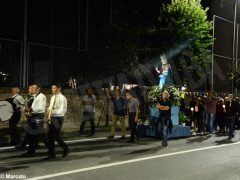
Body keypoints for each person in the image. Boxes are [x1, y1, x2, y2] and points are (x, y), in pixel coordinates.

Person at [44, 84, 69, 160]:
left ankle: (64, 148)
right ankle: (53, 154)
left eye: (54, 88)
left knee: (54, 135)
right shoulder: (53, 97)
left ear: (59, 89)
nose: (52, 89)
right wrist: (48, 111)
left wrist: (52, 112)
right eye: (52, 88)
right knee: (51, 136)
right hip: (52, 117)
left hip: (58, 118)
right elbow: (51, 107)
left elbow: (62, 110)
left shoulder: (62, 98)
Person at [22, 84, 46, 156]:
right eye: (32, 88)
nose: (33, 89)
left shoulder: (41, 96)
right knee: (32, 134)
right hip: (34, 115)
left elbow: (41, 108)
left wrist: (30, 109)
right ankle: (31, 151)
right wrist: (28, 111)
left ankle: (51, 149)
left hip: (38, 116)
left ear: (39, 89)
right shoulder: (35, 96)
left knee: (37, 134)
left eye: (34, 88)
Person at [16, 85, 34, 150]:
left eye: (30, 89)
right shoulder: (29, 97)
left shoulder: (34, 97)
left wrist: (26, 110)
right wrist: (23, 107)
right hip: (28, 115)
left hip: (32, 116)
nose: (28, 90)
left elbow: (32, 107)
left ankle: (23, 146)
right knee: (36, 133)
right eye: (29, 89)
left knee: (29, 132)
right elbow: (26, 104)